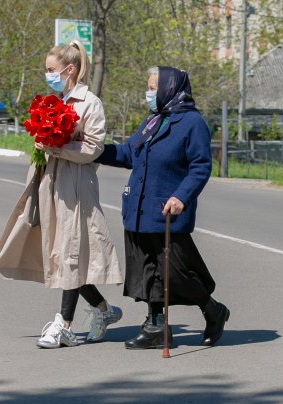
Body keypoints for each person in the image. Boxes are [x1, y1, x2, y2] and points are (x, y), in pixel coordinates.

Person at [95, 66, 229, 349]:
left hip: (167, 211)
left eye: (154, 87)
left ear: (170, 87)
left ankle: (213, 311)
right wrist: (95, 150)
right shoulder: (153, 121)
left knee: (176, 272)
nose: (149, 92)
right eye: (148, 87)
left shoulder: (192, 123)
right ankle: (156, 326)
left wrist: (182, 196)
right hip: (139, 209)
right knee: (146, 270)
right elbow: (128, 153)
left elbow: (200, 166)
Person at [29, 41, 123, 349]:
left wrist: (56, 146)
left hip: (77, 186)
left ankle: (63, 326)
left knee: (71, 253)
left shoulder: (88, 102)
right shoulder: (57, 100)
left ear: (70, 69)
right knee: (65, 253)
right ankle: (103, 310)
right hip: (54, 183)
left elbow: (93, 148)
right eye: (46, 70)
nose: (48, 75)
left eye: (52, 70)